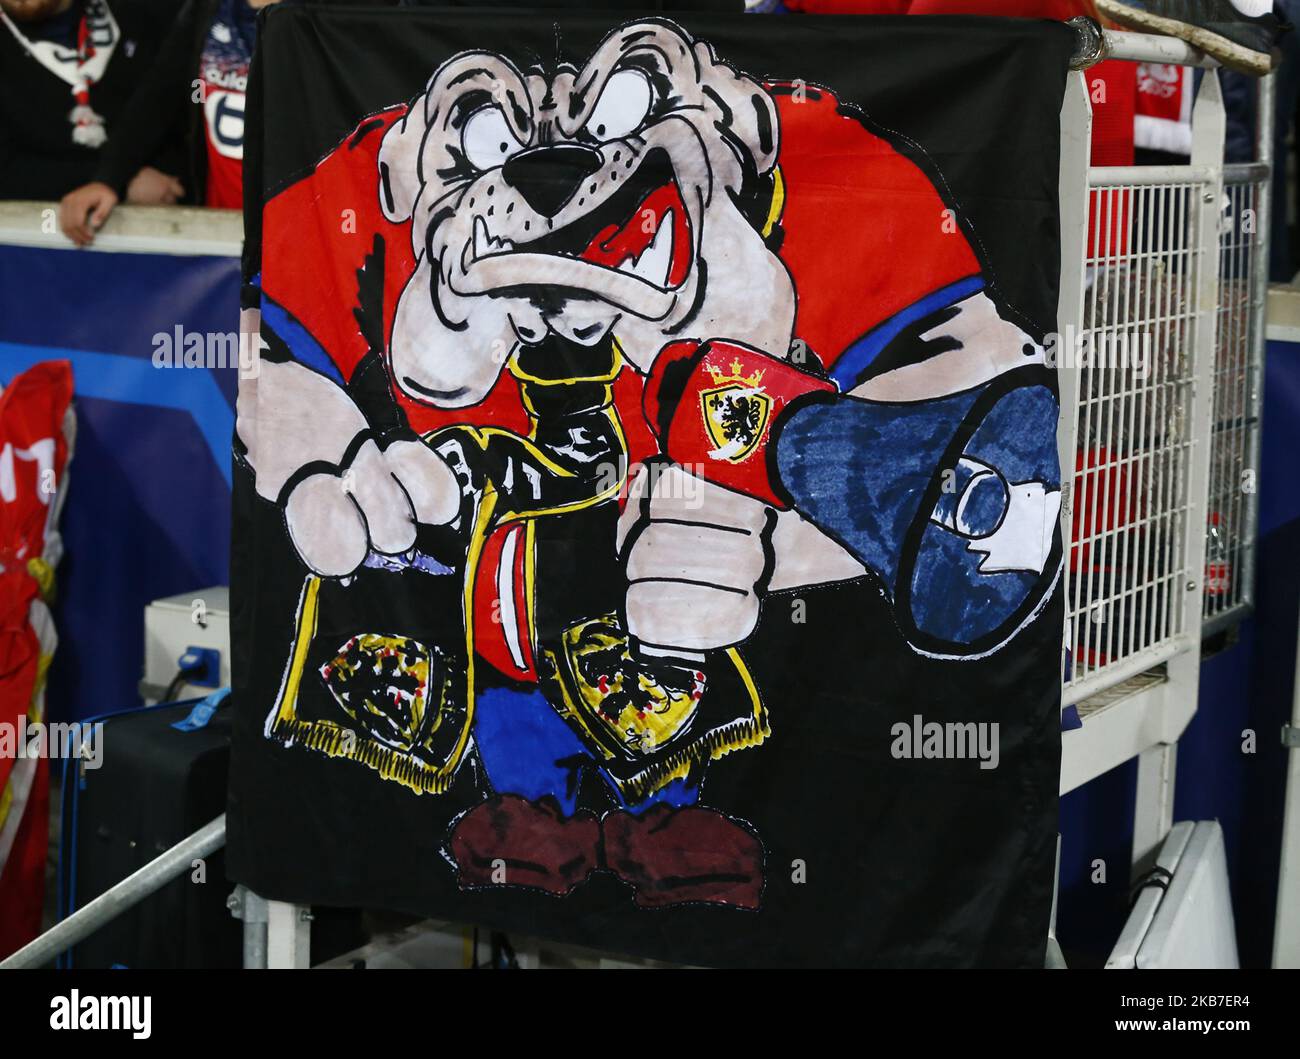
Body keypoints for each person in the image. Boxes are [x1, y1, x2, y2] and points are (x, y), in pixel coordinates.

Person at [58, 0, 280, 245]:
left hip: (303, 238)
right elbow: (159, 97)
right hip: (223, 238)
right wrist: (108, 180)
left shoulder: (324, 19)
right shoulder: (208, 9)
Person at [0, 0, 183, 201]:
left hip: (168, 222)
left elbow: (184, 121)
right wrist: (118, 183)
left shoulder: (145, 18)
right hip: (36, 225)